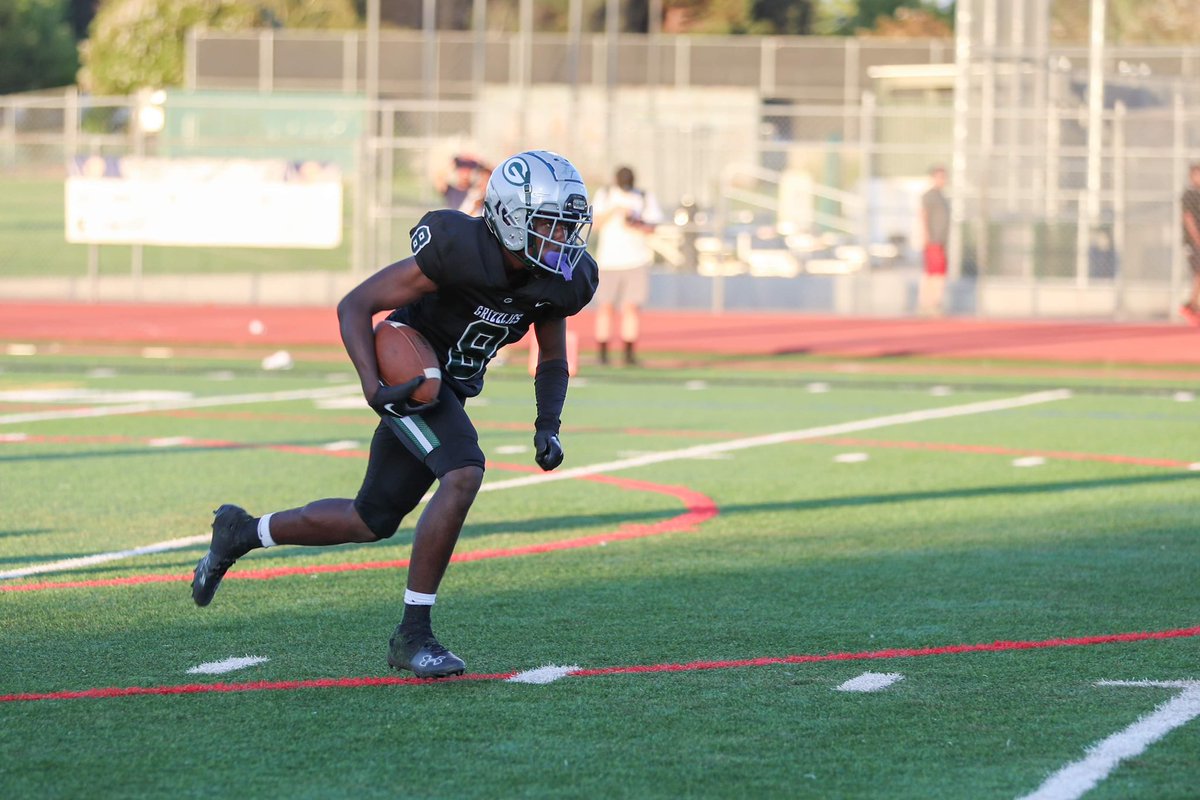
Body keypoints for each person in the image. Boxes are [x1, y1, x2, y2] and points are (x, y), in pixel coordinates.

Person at [191, 150, 597, 679]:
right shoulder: (459, 251)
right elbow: (356, 305)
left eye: (567, 227)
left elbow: (553, 355)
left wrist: (549, 423)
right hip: (413, 376)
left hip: (448, 389)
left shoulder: (560, 279)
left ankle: (242, 531)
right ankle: (413, 634)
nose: (561, 239)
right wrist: (373, 385)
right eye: (548, 223)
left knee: (370, 519)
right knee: (463, 471)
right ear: (509, 217)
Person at [590, 166, 663, 365]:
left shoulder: (644, 197)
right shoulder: (605, 195)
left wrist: (634, 221)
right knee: (605, 307)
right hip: (608, 261)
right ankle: (602, 354)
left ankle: (628, 354)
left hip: (636, 260)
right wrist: (615, 211)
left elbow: (652, 228)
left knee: (631, 307)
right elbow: (594, 224)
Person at [918, 165, 950, 317]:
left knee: (938, 273)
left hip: (941, 241)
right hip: (933, 241)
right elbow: (923, 215)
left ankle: (933, 303)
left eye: (944, 177)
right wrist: (925, 236)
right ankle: (928, 304)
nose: (942, 180)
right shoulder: (929, 196)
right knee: (933, 274)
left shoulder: (942, 196)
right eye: (939, 177)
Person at [1180, 163, 1200, 325]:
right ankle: (1190, 307)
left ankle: (1192, 306)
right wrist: (1197, 239)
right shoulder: (1189, 195)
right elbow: (1188, 218)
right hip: (1193, 243)